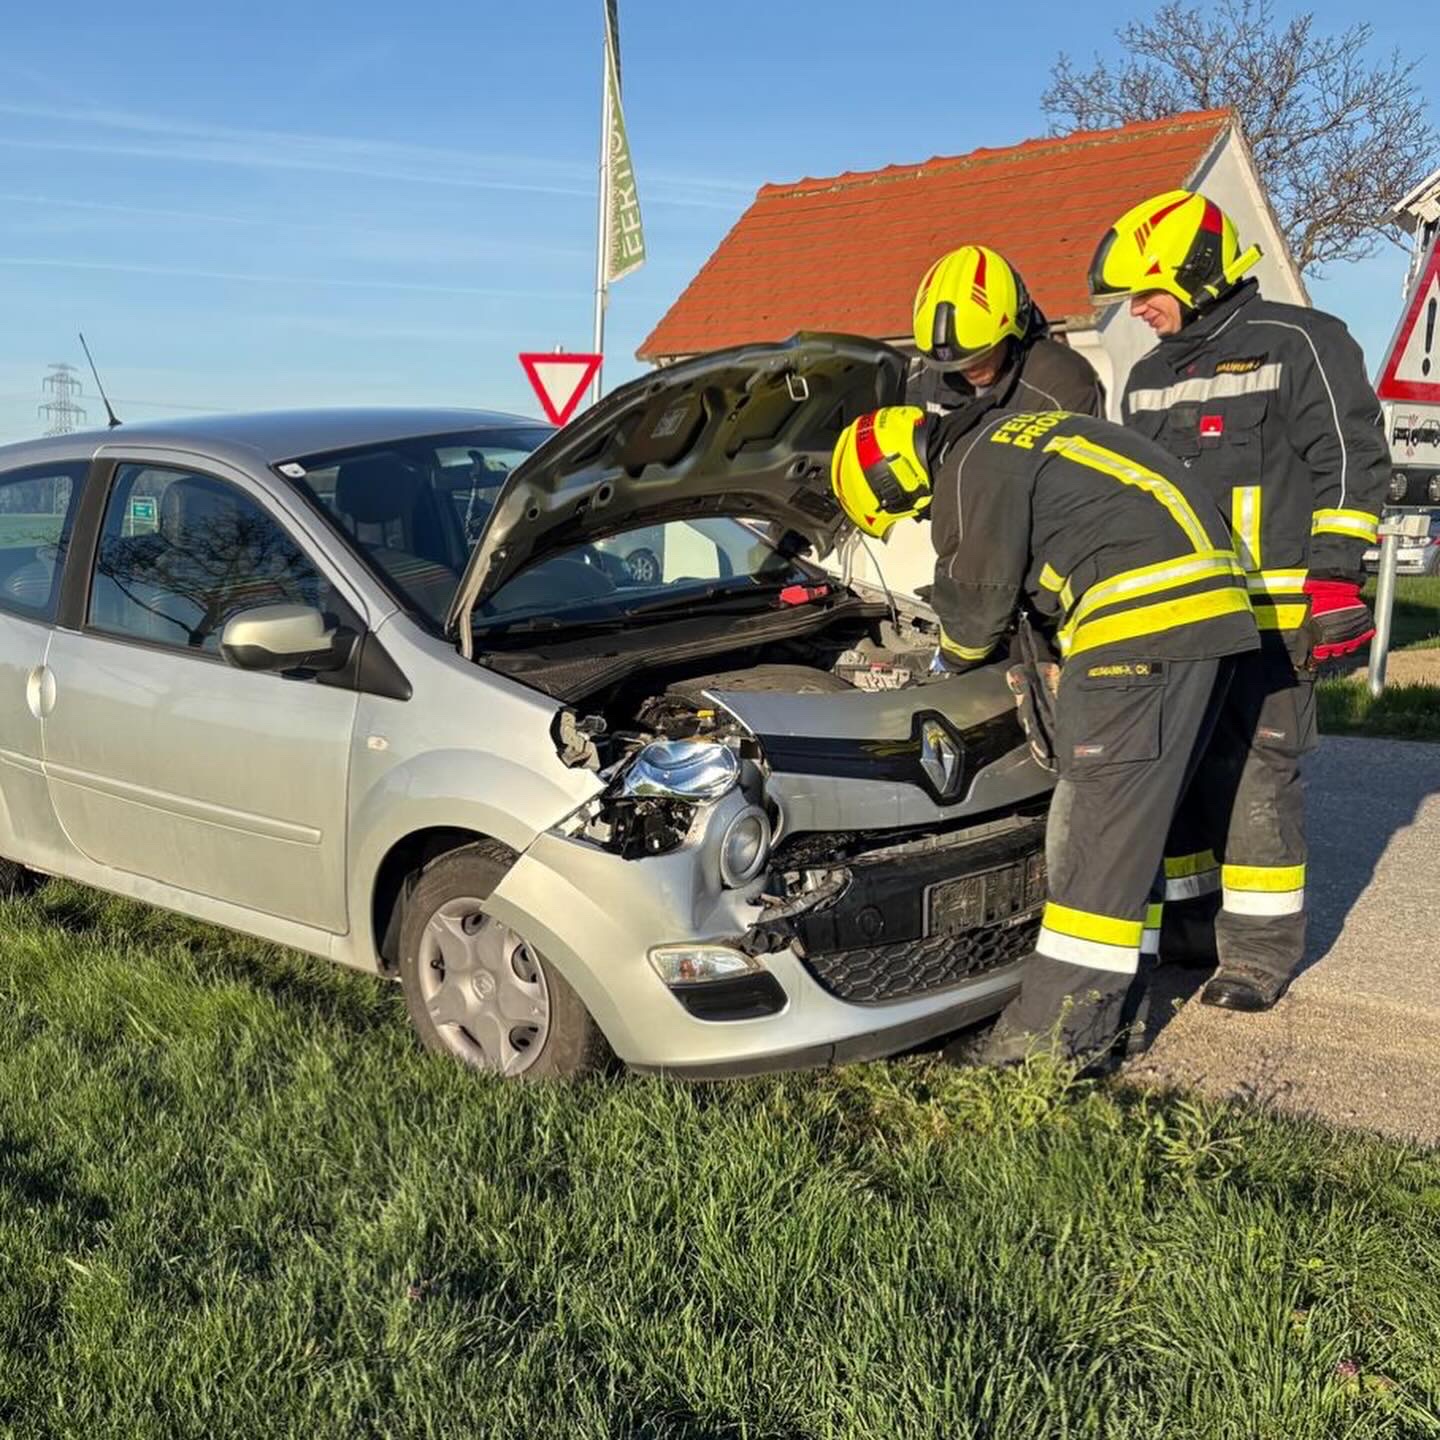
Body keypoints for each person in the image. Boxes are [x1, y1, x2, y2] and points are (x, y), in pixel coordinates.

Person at [829, 402, 1259, 1065]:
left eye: (912, 511)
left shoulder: (968, 467)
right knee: (1129, 840)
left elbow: (971, 618)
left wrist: (937, 665)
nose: (925, 518)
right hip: (1208, 616)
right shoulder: (1017, 434)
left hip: (1140, 628)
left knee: (1091, 840)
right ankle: (1119, 1021)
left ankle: (1045, 1049)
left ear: (895, 477)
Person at [1089, 190, 1388, 1011]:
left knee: (1259, 779)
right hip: (1182, 623)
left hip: (1275, 618)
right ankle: (1190, 932)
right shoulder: (1145, 378)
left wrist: (1334, 579)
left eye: (1148, 292)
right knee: (1178, 777)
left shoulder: (1304, 343)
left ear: (1197, 272)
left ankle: (1257, 956)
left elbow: (1354, 463)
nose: (1138, 311)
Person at [909, 245, 1105, 419]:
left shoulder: (1061, 384)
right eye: (956, 363)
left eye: (981, 355)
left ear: (1013, 330)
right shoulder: (923, 380)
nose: (969, 368)